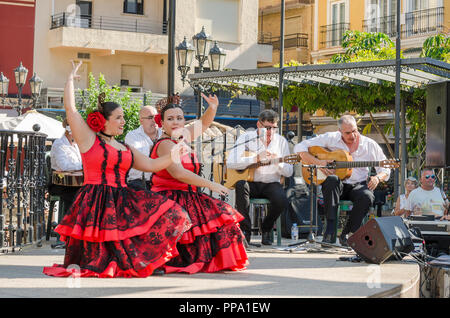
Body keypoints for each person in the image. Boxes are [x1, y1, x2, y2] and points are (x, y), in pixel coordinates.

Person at [43, 61, 191, 278]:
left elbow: (151, 165)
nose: (124, 121)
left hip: (121, 196)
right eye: (119, 117)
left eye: (123, 117)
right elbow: (71, 110)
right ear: (103, 121)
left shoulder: (124, 147)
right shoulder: (88, 140)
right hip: (95, 198)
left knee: (170, 211)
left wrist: (173, 154)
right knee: (99, 251)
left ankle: (145, 260)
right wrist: (69, 82)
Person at [149, 95, 248, 274]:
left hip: (188, 195)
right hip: (168, 196)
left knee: (224, 216)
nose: (175, 122)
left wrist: (212, 107)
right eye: (170, 119)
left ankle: (214, 260)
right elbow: (179, 173)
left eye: (179, 118)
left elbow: (203, 124)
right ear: (161, 123)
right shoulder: (164, 144)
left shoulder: (181, 138)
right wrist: (212, 185)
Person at [294, 115, 391, 246]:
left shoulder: (369, 145)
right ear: (340, 131)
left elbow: (386, 168)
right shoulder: (331, 138)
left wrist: (377, 178)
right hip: (337, 185)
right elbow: (299, 148)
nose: (353, 135)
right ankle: (330, 230)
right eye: (348, 133)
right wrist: (319, 162)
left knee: (368, 196)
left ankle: (347, 233)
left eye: (355, 131)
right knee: (332, 180)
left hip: (358, 185)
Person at [227, 109, 293, 245]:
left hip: (271, 183)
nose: (270, 132)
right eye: (267, 128)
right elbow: (231, 162)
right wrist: (255, 158)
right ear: (258, 124)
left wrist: (277, 163)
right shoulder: (245, 138)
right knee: (240, 185)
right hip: (250, 182)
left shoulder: (281, 142)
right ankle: (245, 231)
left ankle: (267, 228)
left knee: (282, 200)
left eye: (274, 128)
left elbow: (289, 172)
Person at [49, 118, 83, 248]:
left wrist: (79, 166)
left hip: (73, 182)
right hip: (59, 183)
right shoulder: (59, 144)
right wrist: (80, 166)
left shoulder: (76, 144)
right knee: (73, 196)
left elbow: (78, 164)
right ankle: (63, 236)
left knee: (89, 191)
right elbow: (64, 166)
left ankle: (76, 234)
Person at [125, 105, 162, 190]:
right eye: (150, 117)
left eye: (156, 117)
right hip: (140, 184)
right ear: (141, 120)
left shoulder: (164, 133)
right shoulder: (132, 135)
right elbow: (138, 157)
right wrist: (160, 149)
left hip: (161, 183)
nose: (154, 120)